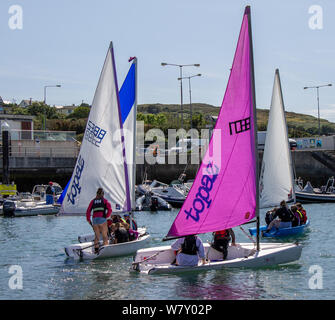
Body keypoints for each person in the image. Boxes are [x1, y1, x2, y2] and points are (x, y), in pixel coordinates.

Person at [86, 188, 112, 253]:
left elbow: (88, 211)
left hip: (94, 219)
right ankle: (105, 250)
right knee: (104, 235)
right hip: (102, 219)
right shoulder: (105, 201)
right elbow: (110, 209)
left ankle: (96, 250)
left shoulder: (92, 201)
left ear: (96, 194)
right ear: (103, 194)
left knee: (97, 236)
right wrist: (106, 216)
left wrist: (88, 219)